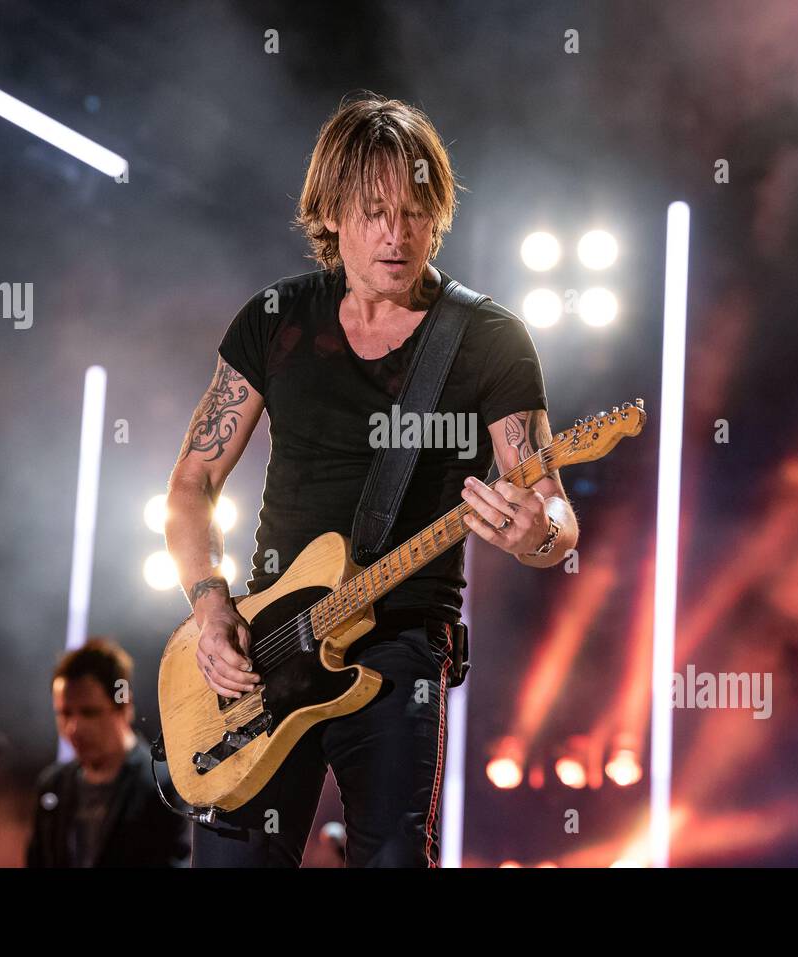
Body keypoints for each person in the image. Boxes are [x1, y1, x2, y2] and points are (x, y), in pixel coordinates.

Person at [165, 93, 579, 867]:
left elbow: (549, 501)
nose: (398, 234)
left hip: (399, 648)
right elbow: (192, 484)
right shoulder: (277, 317)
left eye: (417, 211)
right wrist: (210, 604)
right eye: (374, 212)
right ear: (328, 215)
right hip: (267, 641)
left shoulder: (489, 339)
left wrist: (540, 532)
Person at [26, 638, 190, 867]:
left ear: (124, 706)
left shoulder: (167, 787)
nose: (74, 727)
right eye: (64, 713)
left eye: (89, 712)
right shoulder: (52, 784)